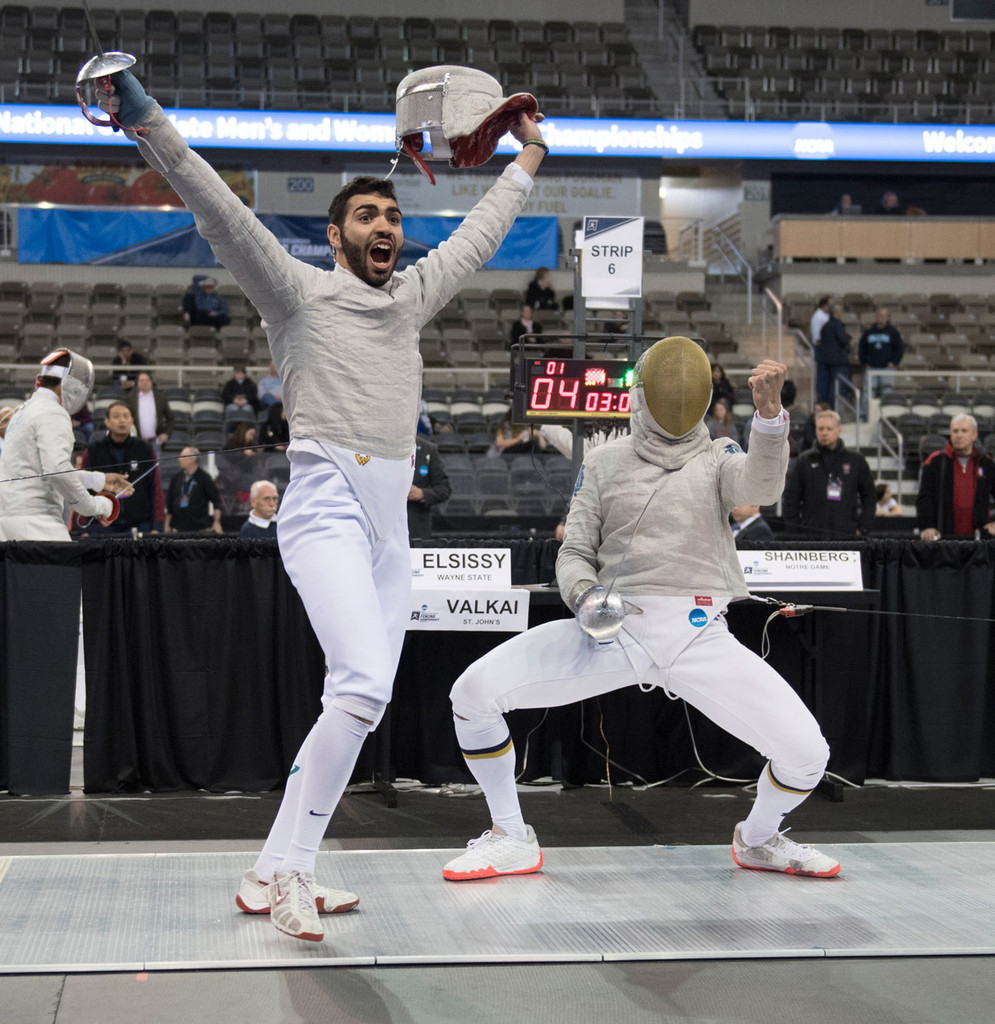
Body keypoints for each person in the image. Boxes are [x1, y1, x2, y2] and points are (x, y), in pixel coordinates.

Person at [97, 65, 547, 940]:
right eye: (368, 217)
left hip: (390, 523)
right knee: (361, 683)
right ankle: (296, 872)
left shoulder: (411, 298)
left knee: (361, 700)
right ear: (337, 237)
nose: (386, 226)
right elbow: (219, 211)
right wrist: (145, 114)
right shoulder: (296, 292)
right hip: (326, 503)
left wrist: (528, 155)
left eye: (393, 217)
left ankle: (269, 868)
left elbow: (481, 235)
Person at [442, 338, 840, 882]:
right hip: (613, 631)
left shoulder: (719, 457)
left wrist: (769, 419)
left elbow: (762, 486)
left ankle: (758, 837)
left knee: (807, 753)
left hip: (699, 636)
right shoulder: (604, 463)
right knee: (471, 694)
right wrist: (585, 598)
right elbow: (576, 553)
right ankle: (510, 835)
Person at [0, 351, 119, 540]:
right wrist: (98, 506)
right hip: (38, 525)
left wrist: (99, 480)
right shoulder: (53, 412)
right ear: (70, 385)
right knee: (67, 568)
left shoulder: (23, 412)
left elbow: (37, 471)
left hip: (6, 526)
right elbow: (57, 471)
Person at [781, 409, 875, 538]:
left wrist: (863, 527)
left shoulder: (855, 461)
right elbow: (791, 498)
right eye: (820, 429)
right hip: (811, 537)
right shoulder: (804, 461)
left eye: (829, 429)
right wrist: (795, 531)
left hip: (846, 536)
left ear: (839, 430)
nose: (824, 433)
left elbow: (869, 496)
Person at [82, 401, 165, 534]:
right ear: (107, 422)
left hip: (139, 525)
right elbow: (83, 489)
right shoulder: (93, 450)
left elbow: (155, 488)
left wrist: (157, 525)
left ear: (132, 420)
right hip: (101, 526)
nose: (122, 420)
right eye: (116, 416)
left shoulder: (145, 450)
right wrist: (83, 526)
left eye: (126, 416)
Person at [916, 414, 995, 540]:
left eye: (964, 431)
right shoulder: (935, 461)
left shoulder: (986, 463)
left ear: (974, 435)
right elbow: (924, 497)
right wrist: (928, 526)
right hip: (944, 538)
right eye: (955, 431)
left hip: (979, 540)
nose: (959, 435)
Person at [164, 446, 222, 534]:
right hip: (178, 529)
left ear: (192, 459)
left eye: (183, 456)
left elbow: (216, 501)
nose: (179, 459)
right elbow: (170, 503)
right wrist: (167, 524)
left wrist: (216, 522)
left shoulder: (204, 478)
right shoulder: (176, 478)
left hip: (199, 529)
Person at [408, 435, 452, 540]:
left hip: (417, 526)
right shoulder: (381, 448)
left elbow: (444, 488)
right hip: (385, 526)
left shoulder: (428, 450)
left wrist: (422, 493)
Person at [858, 307, 903, 402]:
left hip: (887, 368)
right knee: (868, 393)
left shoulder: (893, 332)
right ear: (876, 317)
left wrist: (894, 362)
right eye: (880, 315)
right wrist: (864, 361)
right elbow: (862, 348)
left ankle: (887, 415)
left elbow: (899, 349)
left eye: (885, 316)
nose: (882, 318)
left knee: (887, 393)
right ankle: (865, 415)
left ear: (888, 318)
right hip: (871, 367)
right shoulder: (868, 332)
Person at [815, 303, 851, 409]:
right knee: (836, 390)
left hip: (826, 362)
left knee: (826, 388)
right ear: (837, 313)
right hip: (838, 363)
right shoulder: (838, 325)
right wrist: (848, 337)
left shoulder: (825, 327)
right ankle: (835, 411)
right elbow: (843, 339)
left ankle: (825, 409)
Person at [127, 371, 174, 448]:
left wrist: (166, 434)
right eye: (142, 380)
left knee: (156, 460)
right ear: (137, 383)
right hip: (136, 442)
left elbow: (171, 418)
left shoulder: (160, 398)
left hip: (155, 442)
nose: (145, 383)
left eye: (147, 380)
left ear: (151, 382)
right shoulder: (130, 398)